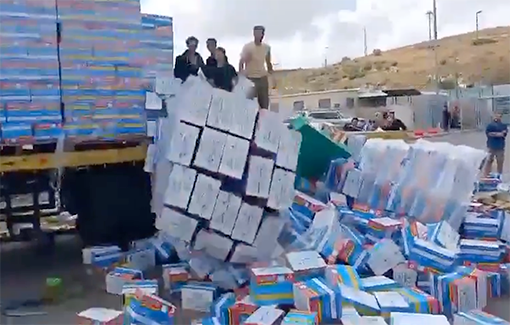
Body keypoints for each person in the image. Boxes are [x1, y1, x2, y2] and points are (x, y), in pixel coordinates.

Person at [239, 25, 273, 109]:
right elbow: (241, 62)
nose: (258, 35)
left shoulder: (266, 48)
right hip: (251, 77)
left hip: (262, 77)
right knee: (250, 103)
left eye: (260, 33)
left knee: (264, 103)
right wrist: (241, 76)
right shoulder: (248, 47)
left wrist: (272, 76)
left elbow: (268, 62)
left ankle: (264, 120)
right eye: (256, 33)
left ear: (263, 34)